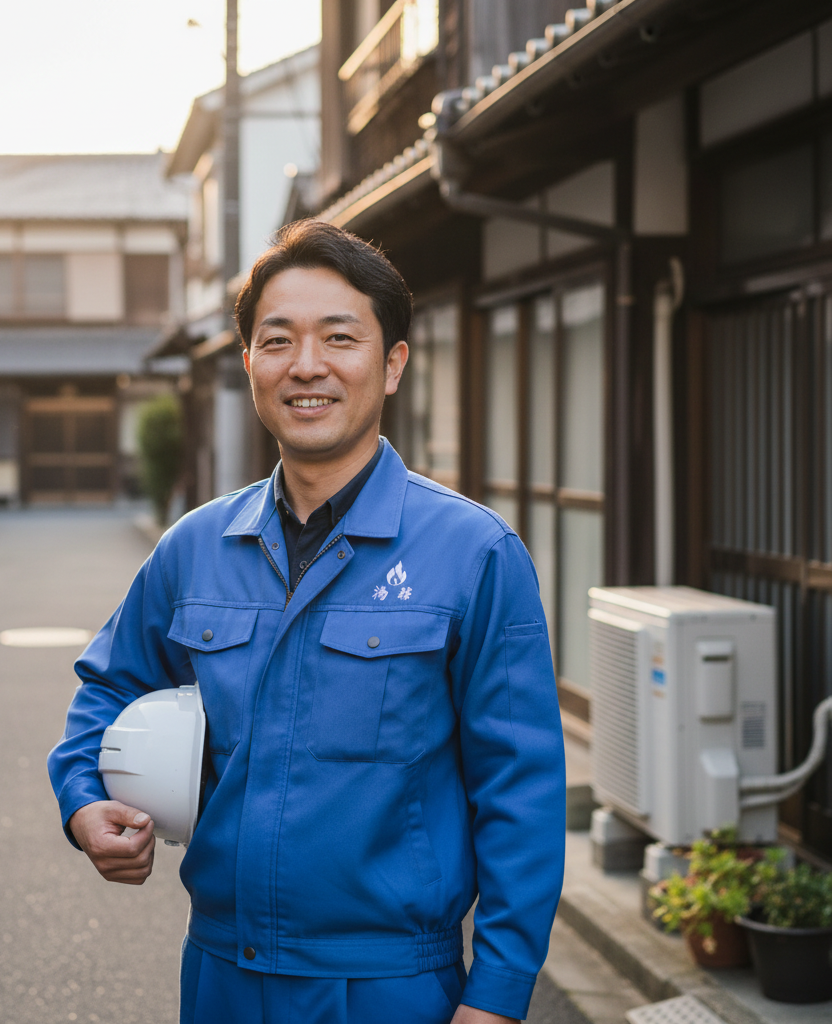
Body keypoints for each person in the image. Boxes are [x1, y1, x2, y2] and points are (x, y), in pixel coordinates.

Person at [48, 220, 565, 1024]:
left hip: (392, 985)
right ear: (250, 363)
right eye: (277, 340)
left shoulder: (473, 553)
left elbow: (521, 788)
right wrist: (83, 799)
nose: (308, 366)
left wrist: (496, 997)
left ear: (392, 364)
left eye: (340, 338)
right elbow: (109, 685)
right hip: (221, 973)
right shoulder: (196, 547)